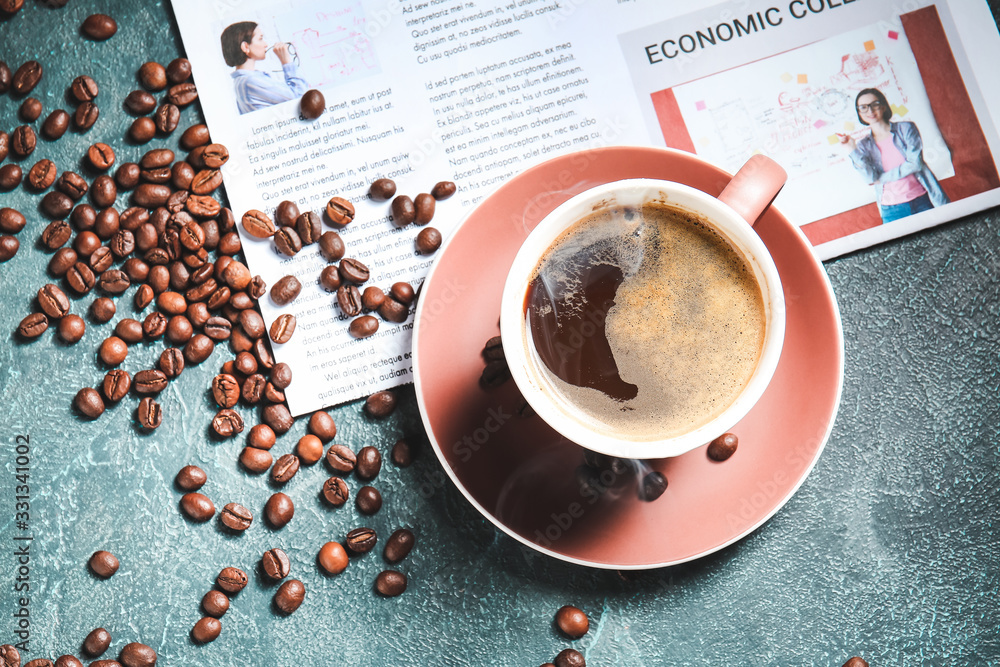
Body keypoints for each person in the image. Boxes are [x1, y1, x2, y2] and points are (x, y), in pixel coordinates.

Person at [838, 88, 949, 223]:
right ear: (859, 112)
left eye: (875, 104)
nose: (870, 111)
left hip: (922, 201)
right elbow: (869, 178)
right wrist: (851, 149)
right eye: (863, 107)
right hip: (891, 210)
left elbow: (915, 163)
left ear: (884, 106)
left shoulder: (906, 128)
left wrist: (883, 178)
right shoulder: (863, 145)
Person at [220, 21, 309, 115]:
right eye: (260, 39)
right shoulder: (250, 81)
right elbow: (301, 97)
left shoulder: (242, 81)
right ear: (245, 47)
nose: (265, 44)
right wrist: (287, 62)